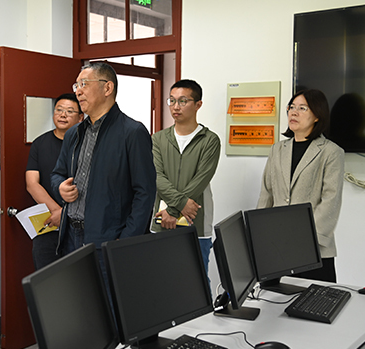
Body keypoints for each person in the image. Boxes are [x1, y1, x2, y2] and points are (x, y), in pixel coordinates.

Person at [51, 62, 156, 263]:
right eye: (76, 85)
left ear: (107, 88)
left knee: (107, 286)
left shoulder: (132, 132)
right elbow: (57, 174)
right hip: (70, 237)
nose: (78, 91)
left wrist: (125, 240)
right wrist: (60, 188)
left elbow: (145, 192)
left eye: (84, 84)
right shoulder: (74, 133)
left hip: (108, 240)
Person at [257, 89, 344, 283]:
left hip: (313, 248)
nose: (294, 112)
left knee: (315, 299)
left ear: (317, 115)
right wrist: (259, 234)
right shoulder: (277, 149)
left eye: (302, 108)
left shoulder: (331, 152)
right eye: (292, 107)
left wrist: (306, 239)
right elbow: (266, 194)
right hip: (276, 245)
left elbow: (330, 201)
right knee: (272, 298)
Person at [151, 79, 221, 277]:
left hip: (195, 224)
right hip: (162, 222)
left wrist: (173, 210)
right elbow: (157, 177)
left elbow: (201, 180)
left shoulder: (210, 140)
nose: (176, 107)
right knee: (161, 279)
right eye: (172, 100)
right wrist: (175, 209)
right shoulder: (158, 139)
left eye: (183, 101)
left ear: (198, 104)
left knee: (197, 280)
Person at [25, 93, 83, 270]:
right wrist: (58, 212)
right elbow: (32, 183)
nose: (63, 115)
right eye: (59, 110)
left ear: (81, 117)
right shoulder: (40, 143)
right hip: (49, 223)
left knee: (78, 276)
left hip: (80, 224)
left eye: (70, 111)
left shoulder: (86, 145)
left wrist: (65, 215)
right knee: (46, 276)